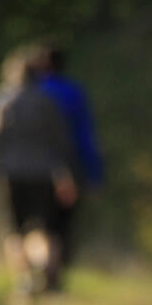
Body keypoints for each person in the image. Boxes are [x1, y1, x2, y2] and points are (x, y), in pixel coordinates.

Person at [0, 47, 78, 299]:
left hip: (10, 175)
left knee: (14, 232)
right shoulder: (46, 102)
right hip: (43, 174)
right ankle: (47, 271)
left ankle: (25, 279)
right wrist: (65, 175)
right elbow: (60, 142)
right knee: (44, 229)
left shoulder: (0, 102)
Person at [36, 45, 104, 279]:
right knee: (62, 225)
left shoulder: (31, 91)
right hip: (69, 167)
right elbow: (86, 136)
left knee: (38, 224)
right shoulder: (74, 92)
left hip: (34, 168)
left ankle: (41, 272)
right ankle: (55, 274)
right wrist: (94, 174)